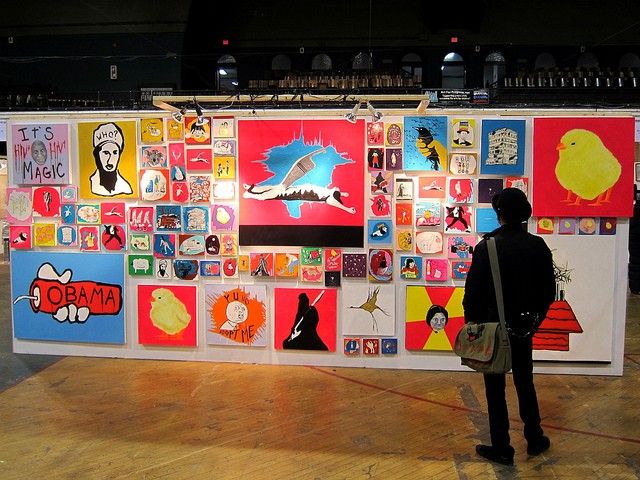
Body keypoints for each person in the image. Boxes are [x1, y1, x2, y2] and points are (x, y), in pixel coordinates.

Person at [462, 187, 556, 466]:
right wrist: (535, 320)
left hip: (493, 328)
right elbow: (548, 291)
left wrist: (474, 327)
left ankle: (502, 446)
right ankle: (535, 437)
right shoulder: (538, 245)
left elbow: (472, 294)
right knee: (525, 382)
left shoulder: (487, 247)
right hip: (525, 327)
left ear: (499, 215)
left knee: (495, 389)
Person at [89, 122, 133, 197]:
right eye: (106, 153)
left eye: (115, 153)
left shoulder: (125, 187)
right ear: (97, 155)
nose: (110, 160)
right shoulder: (92, 182)